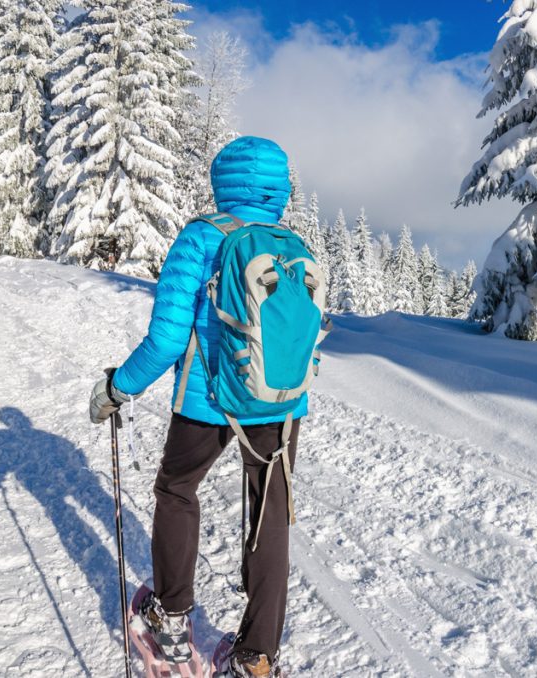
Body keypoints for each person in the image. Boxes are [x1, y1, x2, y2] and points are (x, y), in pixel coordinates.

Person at [89, 136, 304, 677]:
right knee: (268, 515)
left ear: (222, 181)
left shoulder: (200, 237)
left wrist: (119, 387)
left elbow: (165, 341)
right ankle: (256, 658)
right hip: (279, 405)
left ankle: (171, 617)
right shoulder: (291, 243)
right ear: (279, 187)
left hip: (208, 403)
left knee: (177, 489)